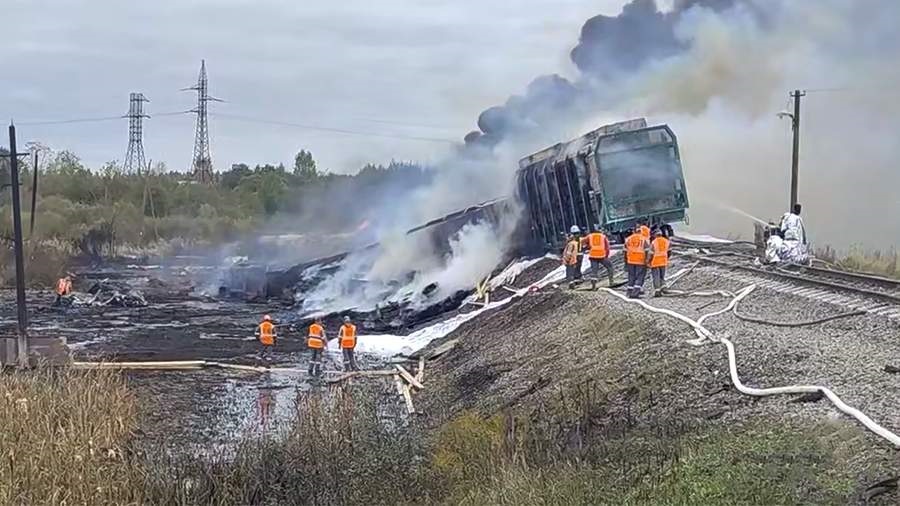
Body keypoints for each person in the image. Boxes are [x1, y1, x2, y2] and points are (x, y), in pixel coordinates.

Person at [624, 225, 651, 298]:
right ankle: (635, 293)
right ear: (640, 231)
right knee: (640, 277)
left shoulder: (628, 239)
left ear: (633, 231)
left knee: (631, 276)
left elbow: (625, 252)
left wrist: (626, 262)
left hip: (630, 261)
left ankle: (629, 291)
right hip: (640, 261)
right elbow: (647, 251)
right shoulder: (643, 239)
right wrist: (647, 261)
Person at [648, 229, 670, 297]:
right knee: (662, 276)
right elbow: (669, 251)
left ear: (655, 235)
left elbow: (651, 253)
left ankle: (657, 291)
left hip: (655, 262)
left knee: (656, 277)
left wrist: (648, 261)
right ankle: (664, 287)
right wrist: (667, 258)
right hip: (663, 261)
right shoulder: (666, 241)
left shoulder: (654, 242)